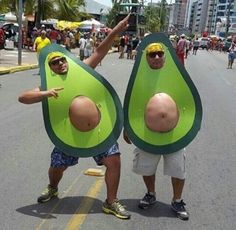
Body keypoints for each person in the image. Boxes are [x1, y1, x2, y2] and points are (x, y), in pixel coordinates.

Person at [18, 14, 131, 220]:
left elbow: (100, 50)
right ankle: (53, 187)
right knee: (56, 167)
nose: (60, 63)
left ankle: (111, 201)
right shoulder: (47, 84)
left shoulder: (84, 69)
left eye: (62, 59)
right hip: (68, 134)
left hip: (100, 132)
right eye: (54, 62)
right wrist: (45, 93)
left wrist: (115, 31)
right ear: (49, 67)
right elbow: (22, 97)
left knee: (113, 161)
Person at [124, 43, 189, 221]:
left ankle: (177, 200)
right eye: (152, 55)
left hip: (174, 134)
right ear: (146, 58)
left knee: (178, 170)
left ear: (165, 56)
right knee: (147, 167)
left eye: (160, 54)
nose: (157, 57)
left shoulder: (177, 76)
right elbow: (131, 103)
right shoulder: (139, 78)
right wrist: (127, 127)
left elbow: (188, 101)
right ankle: (150, 193)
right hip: (146, 132)